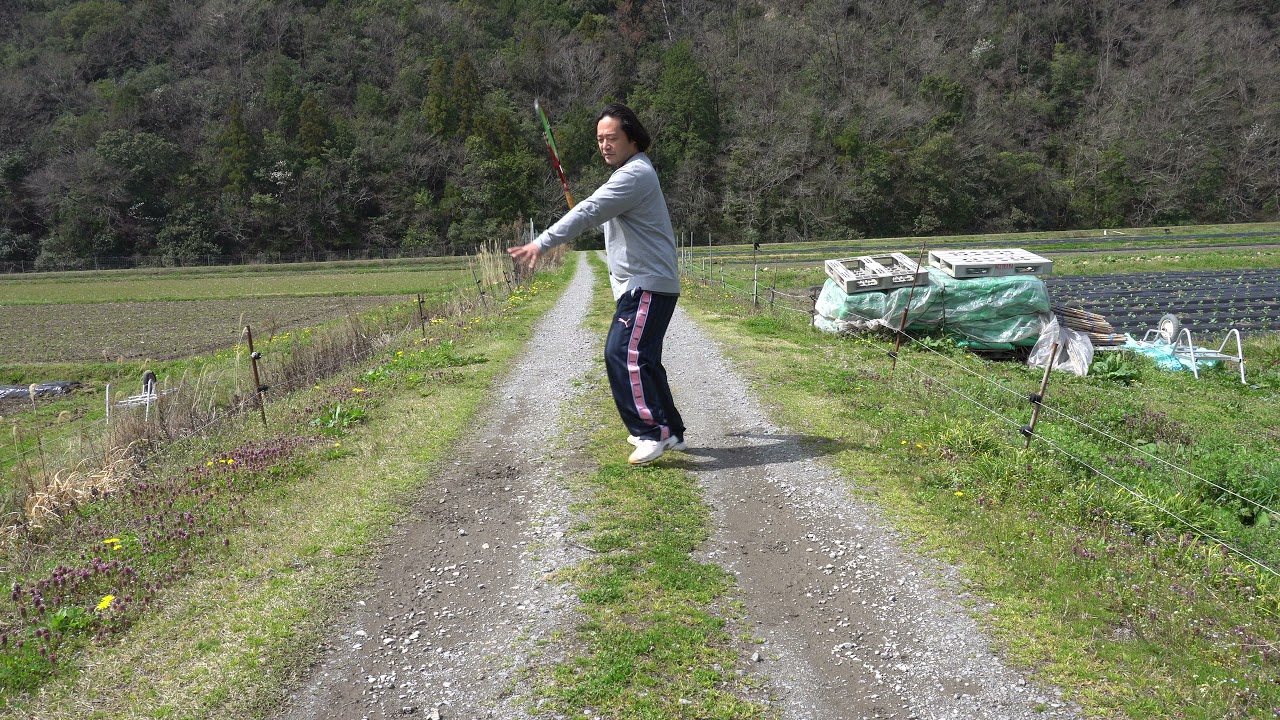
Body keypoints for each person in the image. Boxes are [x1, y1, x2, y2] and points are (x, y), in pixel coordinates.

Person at [509, 102, 685, 465]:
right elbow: (598, 213)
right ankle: (669, 430)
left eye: (612, 138)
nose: (605, 144)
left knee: (622, 353)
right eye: (600, 139)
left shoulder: (633, 175)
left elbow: (589, 210)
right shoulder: (636, 171)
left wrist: (541, 243)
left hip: (646, 284)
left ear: (632, 138)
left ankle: (651, 433)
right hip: (653, 283)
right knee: (646, 360)